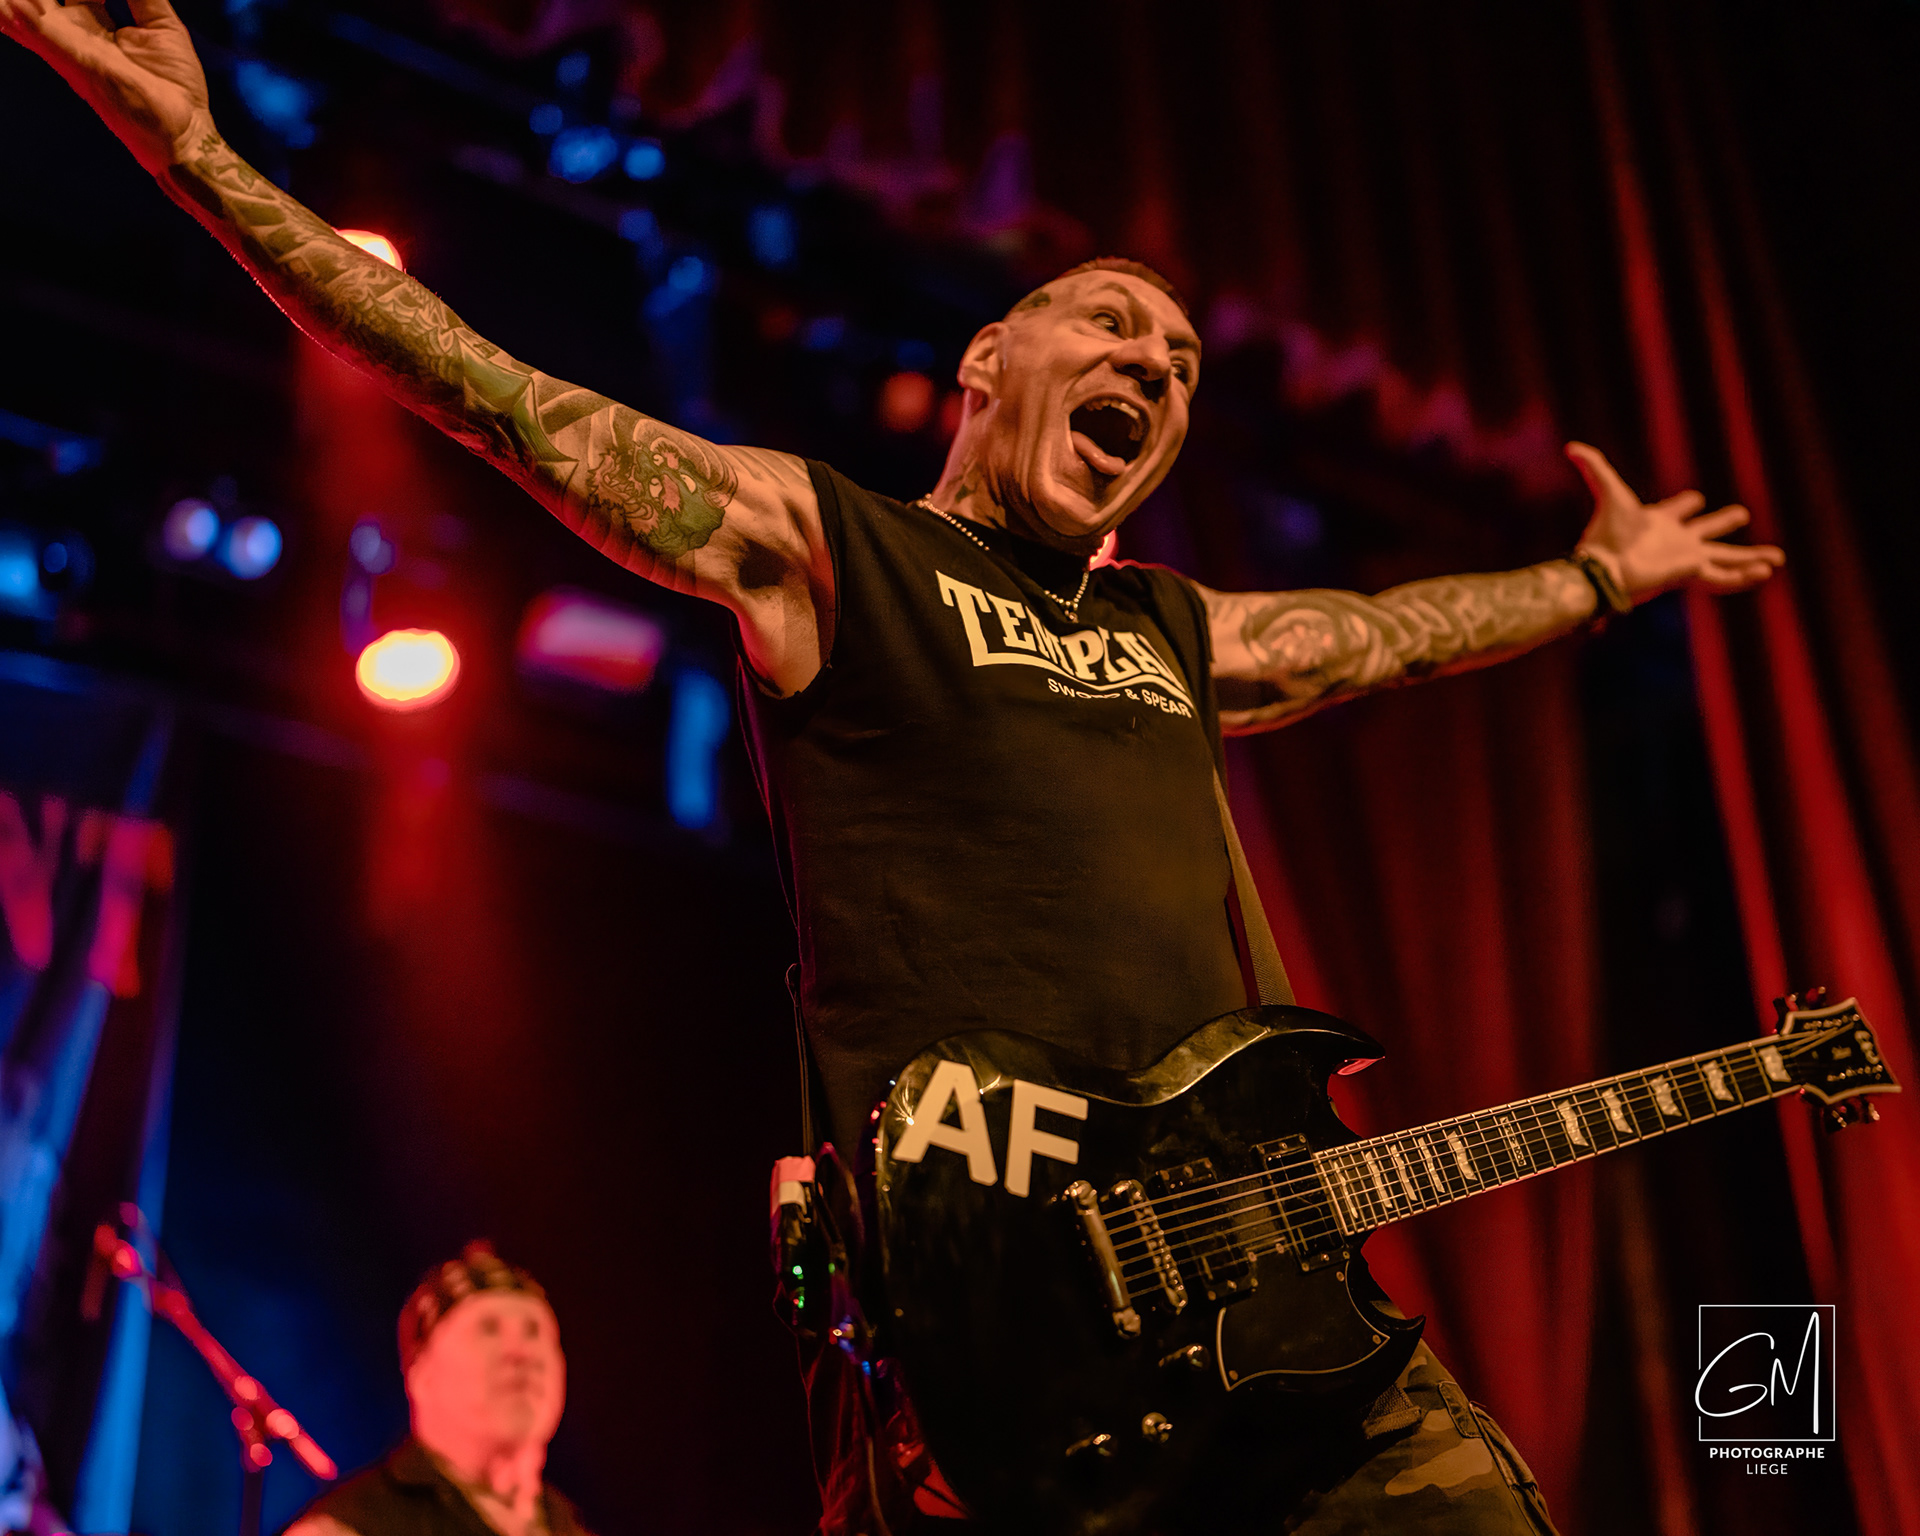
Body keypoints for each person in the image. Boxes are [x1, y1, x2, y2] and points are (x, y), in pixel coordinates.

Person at [3, 5, 1783, 1531]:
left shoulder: (1172, 626)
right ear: (988, 364)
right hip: (997, 1294)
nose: (1155, 365)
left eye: (1179, 362)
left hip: (1252, 1273)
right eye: (1112, 324)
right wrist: (202, 160)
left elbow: (1383, 635)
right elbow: (490, 392)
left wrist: (1593, 581)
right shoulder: (835, 550)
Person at [282, 1242, 590, 1536]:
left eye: (534, 1331)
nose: (521, 1353)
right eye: (489, 1329)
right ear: (422, 1374)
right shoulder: (350, 1527)